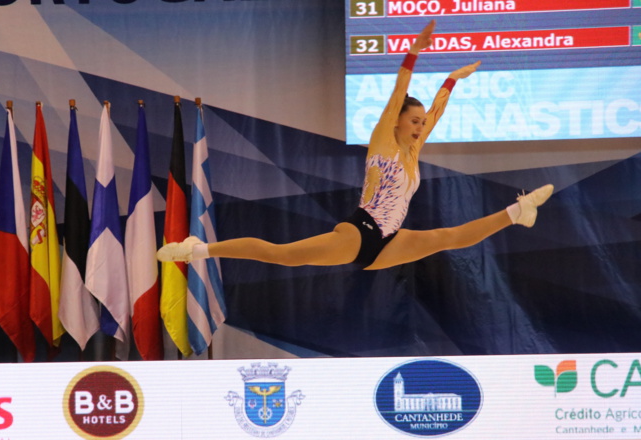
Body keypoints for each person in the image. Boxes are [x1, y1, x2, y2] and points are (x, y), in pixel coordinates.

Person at [157, 20, 553, 269]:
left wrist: (452, 79)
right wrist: (414, 52)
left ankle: (518, 211)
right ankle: (198, 250)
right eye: (413, 121)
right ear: (397, 120)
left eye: (421, 124)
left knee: (449, 238)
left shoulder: (413, 152)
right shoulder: (384, 139)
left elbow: (437, 111)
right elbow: (401, 91)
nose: (420, 127)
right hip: (360, 231)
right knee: (282, 255)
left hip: (389, 241)